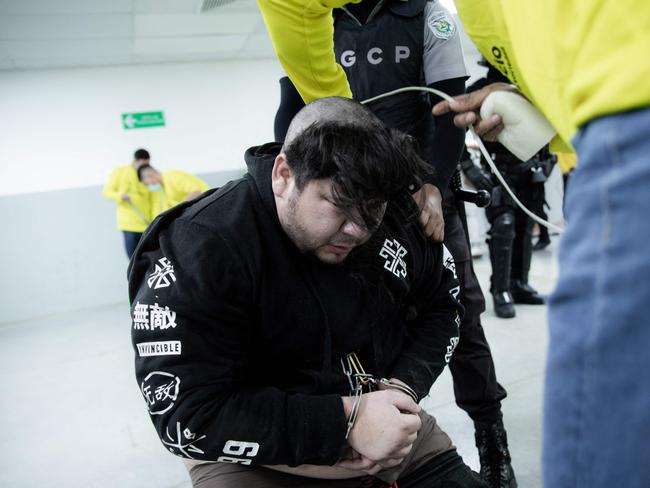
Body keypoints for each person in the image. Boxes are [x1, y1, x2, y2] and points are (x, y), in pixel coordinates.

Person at [129, 97, 487, 488]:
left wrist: (401, 388)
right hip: (262, 455)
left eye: (373, 208)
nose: (358, 229)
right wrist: (345, 421)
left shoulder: (395, 211)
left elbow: (444, 305)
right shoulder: (201, 247)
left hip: (384, 419)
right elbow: (186, 414)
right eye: (339, 205)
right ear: (284, 174)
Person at [273, 2, 516, 485]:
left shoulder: (427, 12)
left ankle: (491, 434)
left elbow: (446, 104)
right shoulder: (312, 14)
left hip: (421, 191)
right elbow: (294, 107)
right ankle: (350, 429)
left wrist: (433, 184)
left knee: (458, 310)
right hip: (344, 194)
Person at [462, 64, 546, 319]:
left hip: (530, 169)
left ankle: (519, 283)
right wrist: (471, 170)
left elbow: (544, 126)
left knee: (524, 226)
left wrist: (546, 162)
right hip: (499, 171)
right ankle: (501, 289)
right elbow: (453, 132)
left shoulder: (530, 86)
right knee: (504, 226)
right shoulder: (478, 91)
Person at [102, 148, 152, 258]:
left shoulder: (147, 173)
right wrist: (120, 195)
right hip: (130, 226)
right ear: (136, 160)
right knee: (134, 259)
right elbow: (107, 192)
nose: (144, 167)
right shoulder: (120, 172)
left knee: (150, 259)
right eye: (142, 164)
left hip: (146, 224)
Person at [137, 164, 209, 217]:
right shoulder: (163, 188)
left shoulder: (171, 176)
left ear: (150, 175)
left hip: (207, 206)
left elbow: (196, 192)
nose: (150, 186)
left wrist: (178, 209)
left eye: (148, 184)